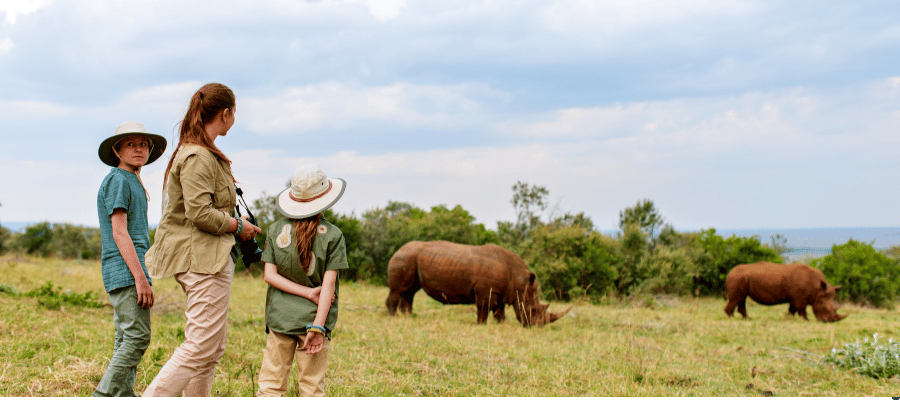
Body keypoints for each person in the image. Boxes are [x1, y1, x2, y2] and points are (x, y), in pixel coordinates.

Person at [142, 83, 261, 397]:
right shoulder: (198, 155)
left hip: (209, 258)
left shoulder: (203, 152)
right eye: (234, 113)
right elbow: (199, 213)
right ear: (226, 113)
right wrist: (238, 226)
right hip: (201, 260)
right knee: (200, 346)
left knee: (211, 348)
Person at [256, 164, 348, 397]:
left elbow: (269, 276)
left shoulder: (275, 230)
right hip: (314, 320)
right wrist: (318, 327)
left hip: (280, 318)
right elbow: (328, 286)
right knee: (312, 387)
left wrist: (305, 292)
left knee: (271, 385)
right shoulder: (334, 235)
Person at [93, 121, 167, 397]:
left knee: (124, 337)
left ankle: (124, 395)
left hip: (130, 269)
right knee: (138, 337)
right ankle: (102, 395)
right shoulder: (118, 180)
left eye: (143, 144)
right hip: (125, 271)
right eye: (130, 144)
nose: (138, 149)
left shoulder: (132, 180)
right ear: (117, 149)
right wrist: (140, 278)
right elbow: (119, 232)